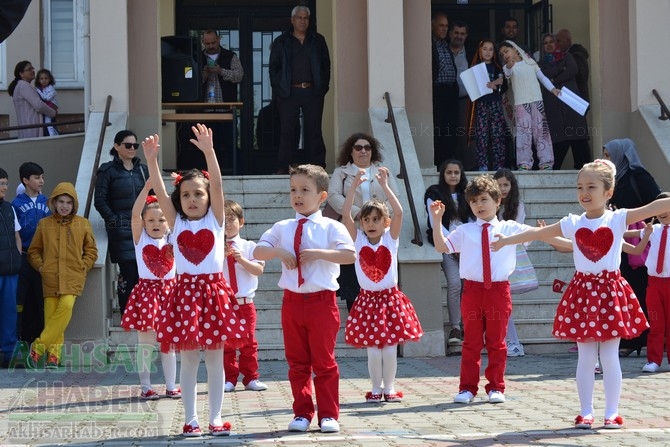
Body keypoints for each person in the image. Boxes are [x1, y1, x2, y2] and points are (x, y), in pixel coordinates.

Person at [490, 159, 670, 429]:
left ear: (608, 192)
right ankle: (586, 411)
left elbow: (655, 206)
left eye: (591, 186)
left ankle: (612, 412)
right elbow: (539, 233)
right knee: (586, 357)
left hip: (610, 292)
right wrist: (506, 240)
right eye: (580, 187)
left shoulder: (617, 218)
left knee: (609, 356)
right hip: (583, 293)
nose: (584, 192)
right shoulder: (572, 222)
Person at [145, 126, 246, 437]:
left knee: (215, 360)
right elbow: (162, 194)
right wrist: (151, 160)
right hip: (185, 295)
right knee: (188, 360)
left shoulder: (215, 219)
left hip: (214, 294)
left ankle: (215, 418)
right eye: (186, 194)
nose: (192, 199)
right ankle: (190, 418)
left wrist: (209, 151)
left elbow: (216, 182)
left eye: (198, 193)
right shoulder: (174, 222)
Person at [254, 164, 355, 434]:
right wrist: (276, 251)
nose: (297, 195)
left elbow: (350, 256)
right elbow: (258, 251)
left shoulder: (331, 227)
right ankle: (302, 413)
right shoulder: (282, 227)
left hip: (322, 302)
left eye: (305, 190)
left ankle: (328, 415)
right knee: (297, 362)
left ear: (322, 196)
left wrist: (321, 253)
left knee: (323, 361)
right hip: (292, 302)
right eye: (293, 190)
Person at [430, 175, 535, 405]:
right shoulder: (465, 230)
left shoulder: (509, 227)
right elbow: (441, 246)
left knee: (497, 342)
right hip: (473, 291)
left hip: (498, 290)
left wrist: (553, 232)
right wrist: (437, 221)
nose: (479, 205)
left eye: (484, 199)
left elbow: (533, 235)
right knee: (471, 342)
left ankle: (496, 387)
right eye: (474, 201)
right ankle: (467, 388)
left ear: (498, 201)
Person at [341, 168, 423, 403]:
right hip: (368, 301)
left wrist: (385, 185)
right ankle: (375, 389)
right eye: (366, 220)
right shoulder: (357, 240)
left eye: (376, 219)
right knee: (373, 350)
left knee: (389, 349)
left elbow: (399, 212)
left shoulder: (390, 238)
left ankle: (390, 388)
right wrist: (354, 186)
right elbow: (346, 215)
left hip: (390, 300)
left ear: (384, 222)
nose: (370, 224)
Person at [27, 182, 98, 369]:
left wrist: (83, 266)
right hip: (50, 277)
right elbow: (33, 251)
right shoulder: (44, 224)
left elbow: (91, 251)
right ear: (54, 203)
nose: (65, 206)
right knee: (51, 316)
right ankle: (53, 357)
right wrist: (42, 267)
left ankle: (38, 347)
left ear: (74, 205)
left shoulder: (83, 224)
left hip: (73, 276)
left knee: (65, 307)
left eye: (69, 202)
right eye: (61, 202)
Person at [121, 180, 180, 401]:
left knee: (169, 344)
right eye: (151, 220)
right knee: (145, 343)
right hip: (147, 293)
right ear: (144, 223)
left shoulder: (173, 238)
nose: (156, 223)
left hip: (170, 293)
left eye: (161, 219)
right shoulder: (140, 238)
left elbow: (176, 215)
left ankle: (172, 385)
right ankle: (146, 386)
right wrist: (146, 190)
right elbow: (135, 215)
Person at [327, 133, 400, 312]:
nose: (363, 151)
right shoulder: (341, 172)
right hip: (353, 228)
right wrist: (357, 213)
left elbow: (395, 198)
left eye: (367, 147)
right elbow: (333, 195)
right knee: (353, 275)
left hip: (380, 230)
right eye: (358, 147)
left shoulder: (382, 171)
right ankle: (357, 314)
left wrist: (378, 215)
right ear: (350, 152)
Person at [603, 138, 661, 357]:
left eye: (609, 155)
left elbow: (658, 203)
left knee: (639, 289)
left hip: (641, 240)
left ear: (621, 155)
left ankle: (638, 339)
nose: (606, 159)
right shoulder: (611, 180)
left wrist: (645, 229)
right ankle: (629, 337)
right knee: (624, 290)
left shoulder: (639, 176)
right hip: (619, 238)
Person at [269, 6, 331, 174]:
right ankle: (284, 167)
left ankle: (317, 167)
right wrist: (280, 89)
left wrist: (322, 87)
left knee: (314, 129)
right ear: (292, 20)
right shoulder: (281, 42)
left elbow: (326, 66)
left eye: (305, 18)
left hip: (312, 91)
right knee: (288, 130)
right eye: (299, 18)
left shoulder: (318, 40)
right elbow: (273, 68)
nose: (302, 21)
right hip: (289, 93)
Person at [95, 130, 150, 314]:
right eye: (128, 145)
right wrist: (115, 220)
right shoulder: (107, 171)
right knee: (128, 272)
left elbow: (152, 197)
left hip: (144, 229)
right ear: (117, 146)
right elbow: (100, 201)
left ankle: (142, 312)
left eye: (135, 145)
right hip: (121, 230)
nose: (132, 148)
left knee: (144, 273)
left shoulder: (143, 170)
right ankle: (127, 311)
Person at [424, 159, 473, 344]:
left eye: (456, 173)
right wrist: (452, 244)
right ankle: (455, 328)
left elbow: (472, 220)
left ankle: (469, 325)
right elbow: (434, 221)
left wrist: (464, 244)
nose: (453, 176)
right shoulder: (434, 193)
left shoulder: (468, 193)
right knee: (454, 284)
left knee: (468, 287)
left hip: (468, 246)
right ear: (443, 175)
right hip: (446, 245)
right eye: (449, 172)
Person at [222, 199, 267, 393]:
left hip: (244, 302)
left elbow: (258, 270)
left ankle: (251, 378)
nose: (228, 224)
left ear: (241, 222)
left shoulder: (249, 246)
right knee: (226, 343)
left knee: (248, 341)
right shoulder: (215, 247)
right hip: (223, 303)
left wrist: (241, 259)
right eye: (224, 220)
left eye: (232, 219)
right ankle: (229, 378)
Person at [493, 169, 539, 357]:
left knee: (503, 303)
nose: (503, 189)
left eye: (506, 184)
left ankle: (513, 342)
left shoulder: (517, 206)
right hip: (496, 257)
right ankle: (506, 341)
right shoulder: (491, 204)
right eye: (500, 185)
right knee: (501, 304)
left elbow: (517, 233)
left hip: (511, 258)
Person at [499, 40, 560, 171]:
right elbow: (508, 74)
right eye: (502, 54)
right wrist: (509, 66)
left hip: (537, 102)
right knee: (523, 133)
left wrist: (553, 89)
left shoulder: (530, 62)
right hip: (521, 105)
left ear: (515, 49)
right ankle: (524, 164)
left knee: (541, 132)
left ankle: (546, 162)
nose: (504, 55)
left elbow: (542, 77)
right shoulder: (507, 67)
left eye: (506, 51)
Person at [538, 34, 591, 170]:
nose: (549, 45)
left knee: (579, 142)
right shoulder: (541, 63)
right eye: (546, 43)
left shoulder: (567, 56)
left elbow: (573, 69)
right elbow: (545, 74)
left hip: (571, 103)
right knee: (557, 144)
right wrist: (561, 68)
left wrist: (555, 80)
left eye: (552, 41)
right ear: (543, 47)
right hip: (554, 106)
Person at [12, 162, 50, 344]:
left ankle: (43, 339)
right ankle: (18, 337)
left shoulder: (47, 202)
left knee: (43, 299)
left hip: (44, 257)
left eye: (42, 177)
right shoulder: (16, 204)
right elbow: (15, 233)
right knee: (21, 298)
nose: (41, 181)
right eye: (36, 177)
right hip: (24, 257)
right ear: (25, 180)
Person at [200, 29, 243, 172]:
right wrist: (204, 74)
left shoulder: (230, 56)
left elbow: (239, 76)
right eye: (207, 43)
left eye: (213, 42)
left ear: (218, 39)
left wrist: (221, 71)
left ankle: (230, 173)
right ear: (203, 43)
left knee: (228, 144)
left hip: (226, 110)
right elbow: (189, 81)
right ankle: (206, 174)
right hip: (204, 111)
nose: (211, 46)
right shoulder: (198, 57)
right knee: (208, 146)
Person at [468, 39, 508, 171]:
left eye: (491, 49)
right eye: (484, 49)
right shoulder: (475, 67)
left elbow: (504, 84)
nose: (487, 52)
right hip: (481, 105)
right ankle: (483, 165)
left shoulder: (497, 67)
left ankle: (499, 165)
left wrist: (495, 83)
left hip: (495, 104)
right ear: (480, 50)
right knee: (482, 135)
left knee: (497, 135)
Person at [641, 192, 670, 373]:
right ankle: (654, 360)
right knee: (656, 322)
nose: (662, 212)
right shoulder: (653, 230)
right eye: (658, 208)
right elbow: (631, 232)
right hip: (654, 282)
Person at [431, 12, 459, 168]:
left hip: (450, 92)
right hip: (438, 92)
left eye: (446, 26)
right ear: (433, 25)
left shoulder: (445, 44)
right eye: (441, 25)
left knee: (451, 128)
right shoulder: (430, 43)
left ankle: (447, 161)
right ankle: (438, 162)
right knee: (438, 128)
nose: (443, 29)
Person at [0, 168, 22, 368]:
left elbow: (17, 236)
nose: (4, 188)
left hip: (10, 270)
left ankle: (9, 354)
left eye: (5, 183)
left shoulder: (9, 208)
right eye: (1, 183)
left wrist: (17, 257)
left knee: (9, 312)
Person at [7, 61, 57, 139]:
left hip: (27, 127)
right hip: (31, 128)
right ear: (21, 74)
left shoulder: (21, 86)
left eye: (32, 68)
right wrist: (53, 113)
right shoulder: (24, 86)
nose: (32, 71)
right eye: (29, 69)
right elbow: (38, 105)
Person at [554, 29, 590, 101]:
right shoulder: (567, 55)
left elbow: (579, 76)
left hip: (578, 99)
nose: (556, 44)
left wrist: (559, 77)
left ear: (567, 41)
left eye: (558, 41)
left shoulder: (576, 56)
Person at [35, 69, 58, 136]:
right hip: (45, 108)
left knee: (48, 123)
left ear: (50, 79)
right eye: (41, 79)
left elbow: (46, 98)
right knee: (45, 123)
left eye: (46, 78)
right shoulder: (41, 88)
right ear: (38, 80)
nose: (44, 80)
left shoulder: (51, 89)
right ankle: (55, 134)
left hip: (50, 108)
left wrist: (38, 92)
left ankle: (52, 137)